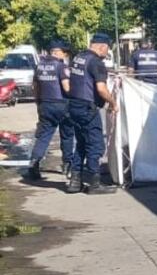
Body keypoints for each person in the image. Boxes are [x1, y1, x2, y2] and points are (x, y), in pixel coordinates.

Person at [65, 33, 117, 195]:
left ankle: (75, 182)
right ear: (102, 46)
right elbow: (101, 89)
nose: (106, 53)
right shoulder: (96, 62)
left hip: (73, 106)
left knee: (81, 144)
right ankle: (95, 184)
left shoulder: (78, 58)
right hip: (88, 108)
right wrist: (113, 102)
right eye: (107, 49)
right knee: (95, 145)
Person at [25, 40, 73, 180]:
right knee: (67, 135)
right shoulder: (61, 66)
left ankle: (34, 163)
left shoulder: (39, 66)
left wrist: (38, 102)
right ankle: (67, 164)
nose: (65, 56)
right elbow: (66, 88)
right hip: (62, 105)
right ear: (58, 52)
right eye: (64, 53)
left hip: (45, 104)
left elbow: (35, 87)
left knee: (44, 136)